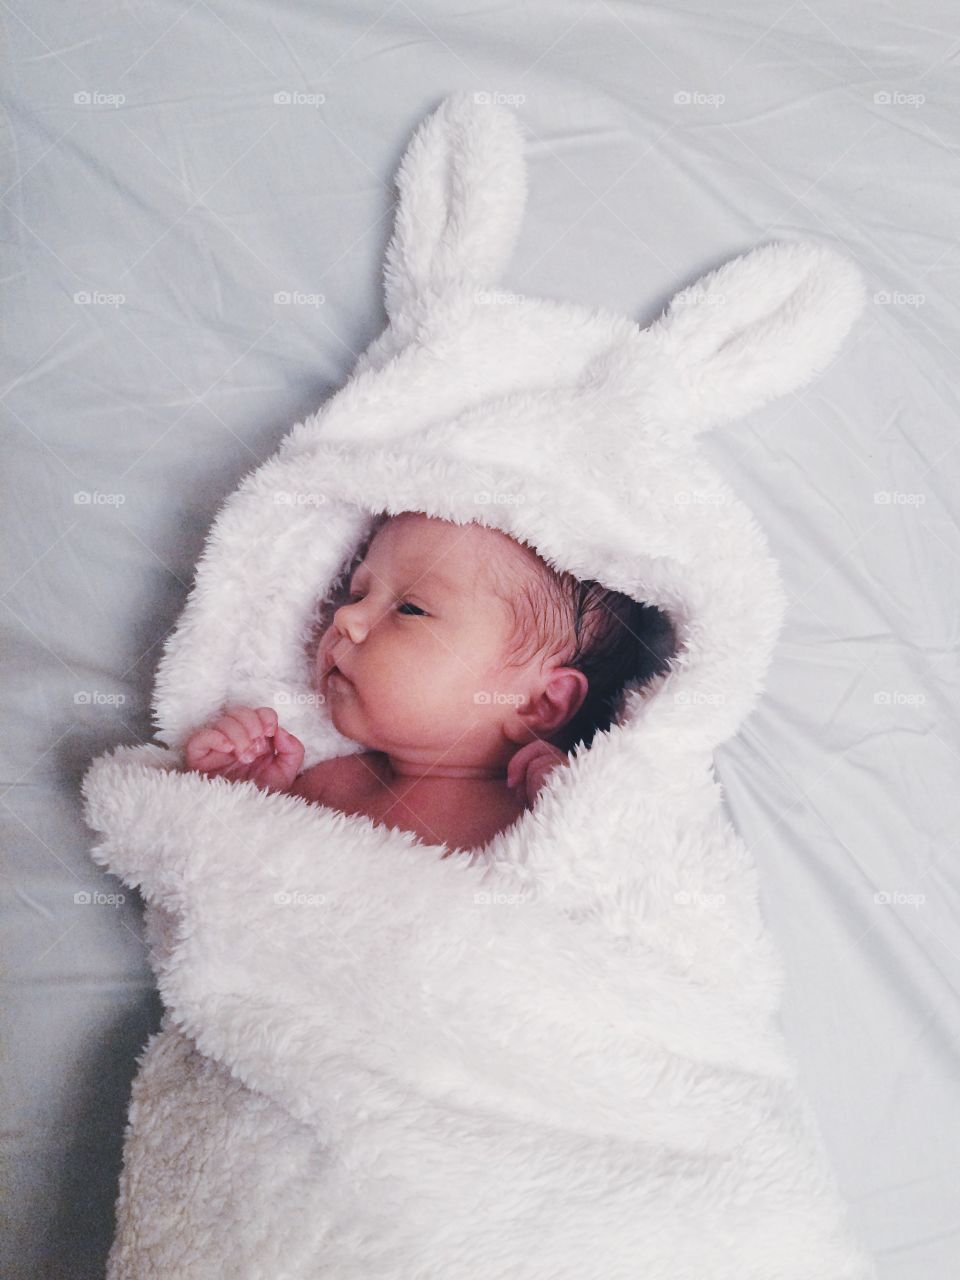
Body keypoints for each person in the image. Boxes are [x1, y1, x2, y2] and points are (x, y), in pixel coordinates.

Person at [183, 510, 676, 853]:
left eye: (411, 609)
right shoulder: (323, 782)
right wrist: (234, 796)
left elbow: (620, 901)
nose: (348, 619)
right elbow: (234, 877)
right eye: (357, 593)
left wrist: (581, 818)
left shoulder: (541, 815)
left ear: (540, 703)